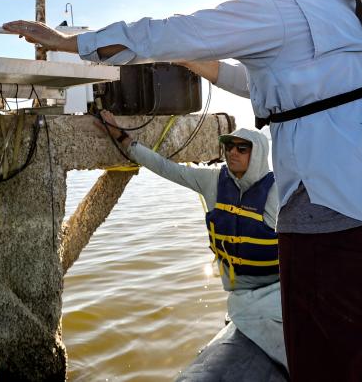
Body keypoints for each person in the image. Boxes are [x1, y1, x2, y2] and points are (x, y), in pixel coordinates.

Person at [4, 0, 362, 382]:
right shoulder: (360, 12)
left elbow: (175, 27)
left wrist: (73, 42)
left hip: (347, 243)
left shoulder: (284, 4)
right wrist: (205, 66)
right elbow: (285, 85)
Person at [97, 110, 287, 369]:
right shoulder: (212, 182)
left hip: (276, 292)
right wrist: (122, 137)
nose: (232, 152)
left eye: (242, 149)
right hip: (239, 295)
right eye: (229, 146)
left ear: (259, 155)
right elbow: (165, 168)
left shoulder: (279, 193)